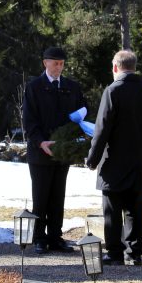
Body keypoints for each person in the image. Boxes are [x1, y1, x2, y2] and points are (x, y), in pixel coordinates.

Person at [86, 50, 142, 266]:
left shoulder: (112, 91)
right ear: (134, 67)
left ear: (115, 67)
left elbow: (102, 129)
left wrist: (92, 158)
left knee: (112, 209)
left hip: (114, 160)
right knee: (135, 208)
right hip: (138, 159)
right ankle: (134, 253)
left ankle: (115, 253)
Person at [23, 46, 87, 254]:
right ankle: (39, 238)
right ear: (45, 63)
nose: (58, 67)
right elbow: (29, 121)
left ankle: (55, 236)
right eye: (54, 63)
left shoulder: (71, 87)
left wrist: (73, 141)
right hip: (41, 151)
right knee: (41, 196)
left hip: (63, 151)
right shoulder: (34, 87)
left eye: (61, 63)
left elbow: (82, 113)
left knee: (58, 196)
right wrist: (41, 142)